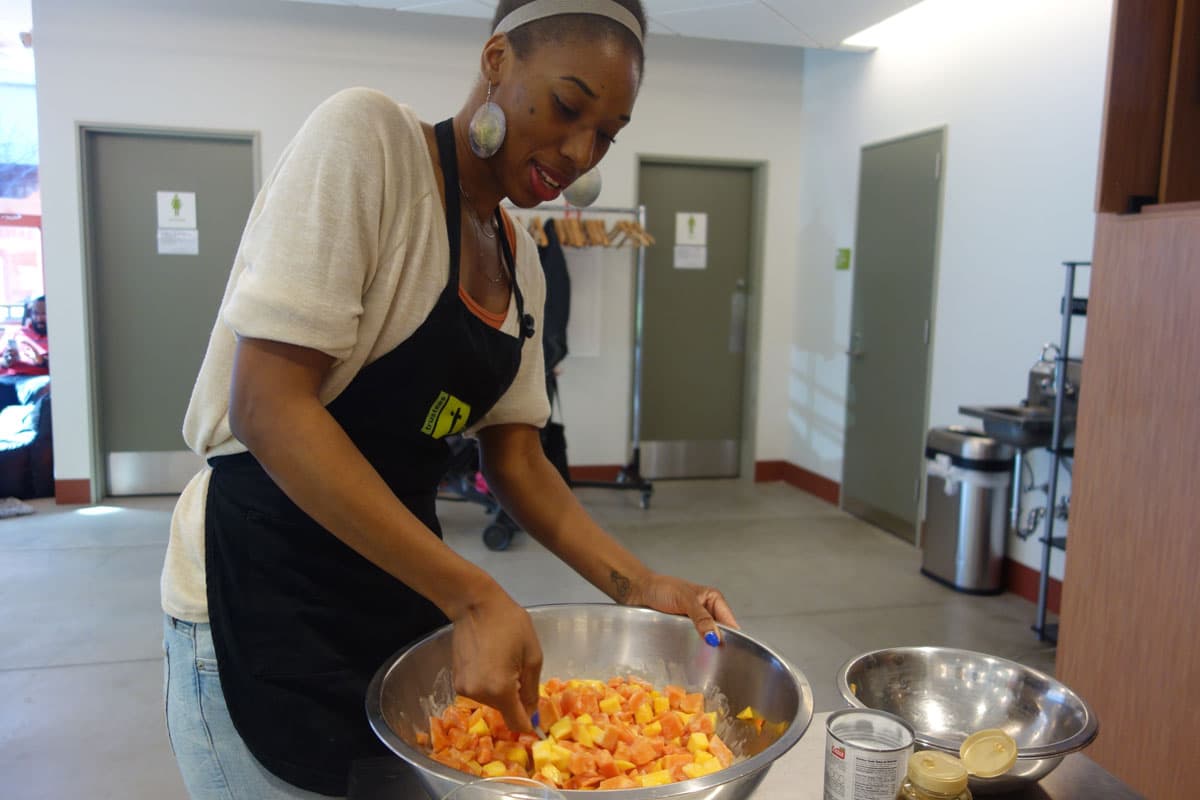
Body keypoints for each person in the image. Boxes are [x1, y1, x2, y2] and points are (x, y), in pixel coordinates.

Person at [160, 1, 738, 797]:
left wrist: (637, 586)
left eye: (606, 133)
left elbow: (518, 459)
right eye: (568, 107)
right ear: (497, 60)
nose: (578, 153)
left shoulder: (522, 264)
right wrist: (473, 595)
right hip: (261, 589)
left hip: (398, 593)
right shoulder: (370, 145)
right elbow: (267, 405)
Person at [0, 295, 49, 376]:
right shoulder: (15, 331)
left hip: (34, 380)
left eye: (44, 313)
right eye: (35, 313)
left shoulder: (59, 336)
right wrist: (5, 361)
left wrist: (42, 361)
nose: (39, 319)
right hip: (5, 377)